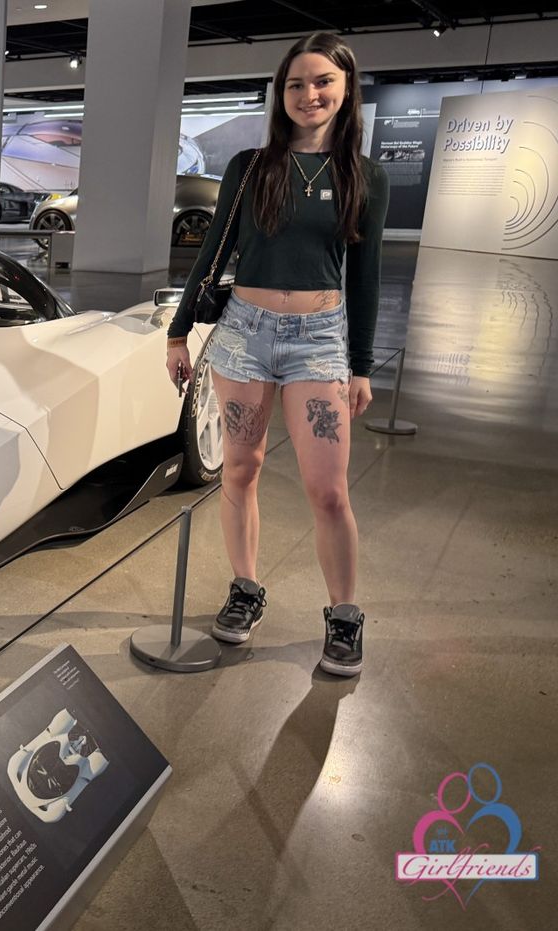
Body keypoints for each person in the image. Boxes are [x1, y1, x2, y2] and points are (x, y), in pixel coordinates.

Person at [164, 32, 389, 677]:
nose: (308, 94)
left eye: (322, 82)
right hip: (244, 335)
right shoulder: (251, 166)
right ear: (280, 93)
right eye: (295, 84)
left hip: (319, 341)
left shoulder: (364, 176)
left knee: (328, 490)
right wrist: (180, 332)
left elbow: (366, 276)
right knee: (240, 469)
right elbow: (213, 252)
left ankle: (344, 615)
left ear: (346, 90)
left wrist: (361, 365)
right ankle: (245, 588)